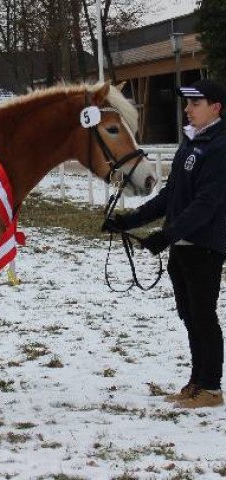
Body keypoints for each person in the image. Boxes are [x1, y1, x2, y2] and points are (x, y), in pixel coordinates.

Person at [103, 78, 226, 409]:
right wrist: (128, 221)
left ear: (215, 108)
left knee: (203, 315)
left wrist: (166, 235)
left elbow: (206, 204)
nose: (188, 109)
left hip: (204, 245)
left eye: (195, 104)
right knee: (189, 314)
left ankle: (212, 388)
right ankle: (197, 382)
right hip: (182, 246)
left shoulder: (219, 148)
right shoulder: (191, 143)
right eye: (187, 104)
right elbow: (171, 197)